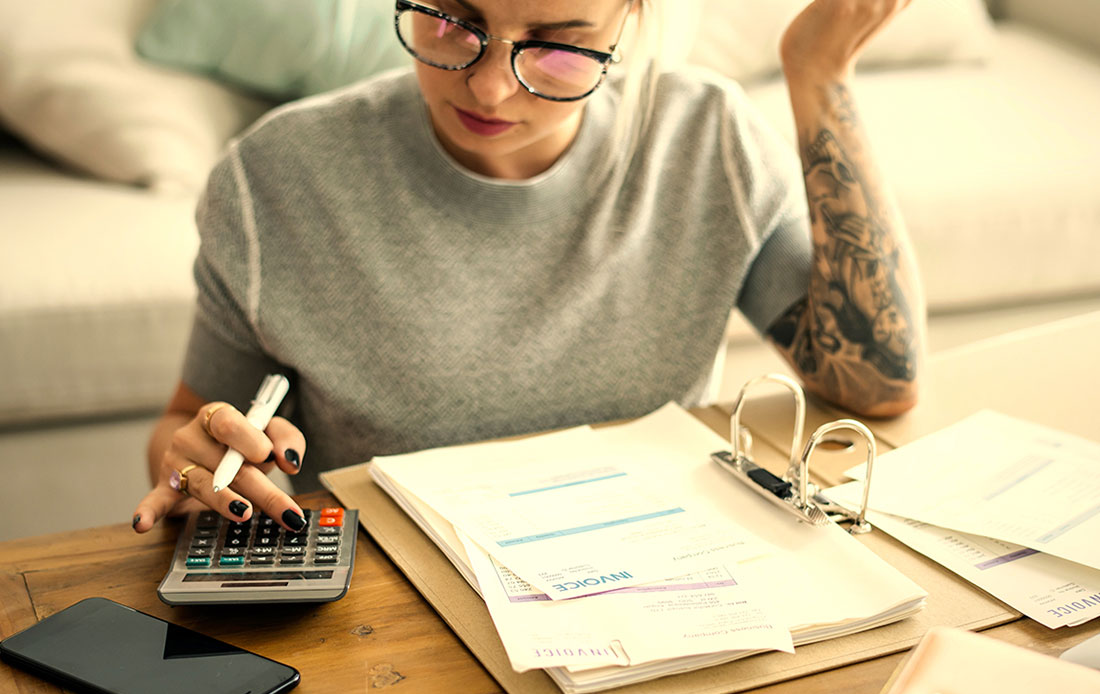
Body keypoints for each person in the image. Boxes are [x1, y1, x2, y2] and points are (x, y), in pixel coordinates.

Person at [132, 0, 925, 534]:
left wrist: (820, 72)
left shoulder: (706, 141)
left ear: (632, 20)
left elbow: (878, 383)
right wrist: (191, 461)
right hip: (388, 613)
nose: (487, 84)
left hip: (653, 585)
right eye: (450, 20)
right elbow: (188, 423)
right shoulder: (276, 178)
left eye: (559, 48)